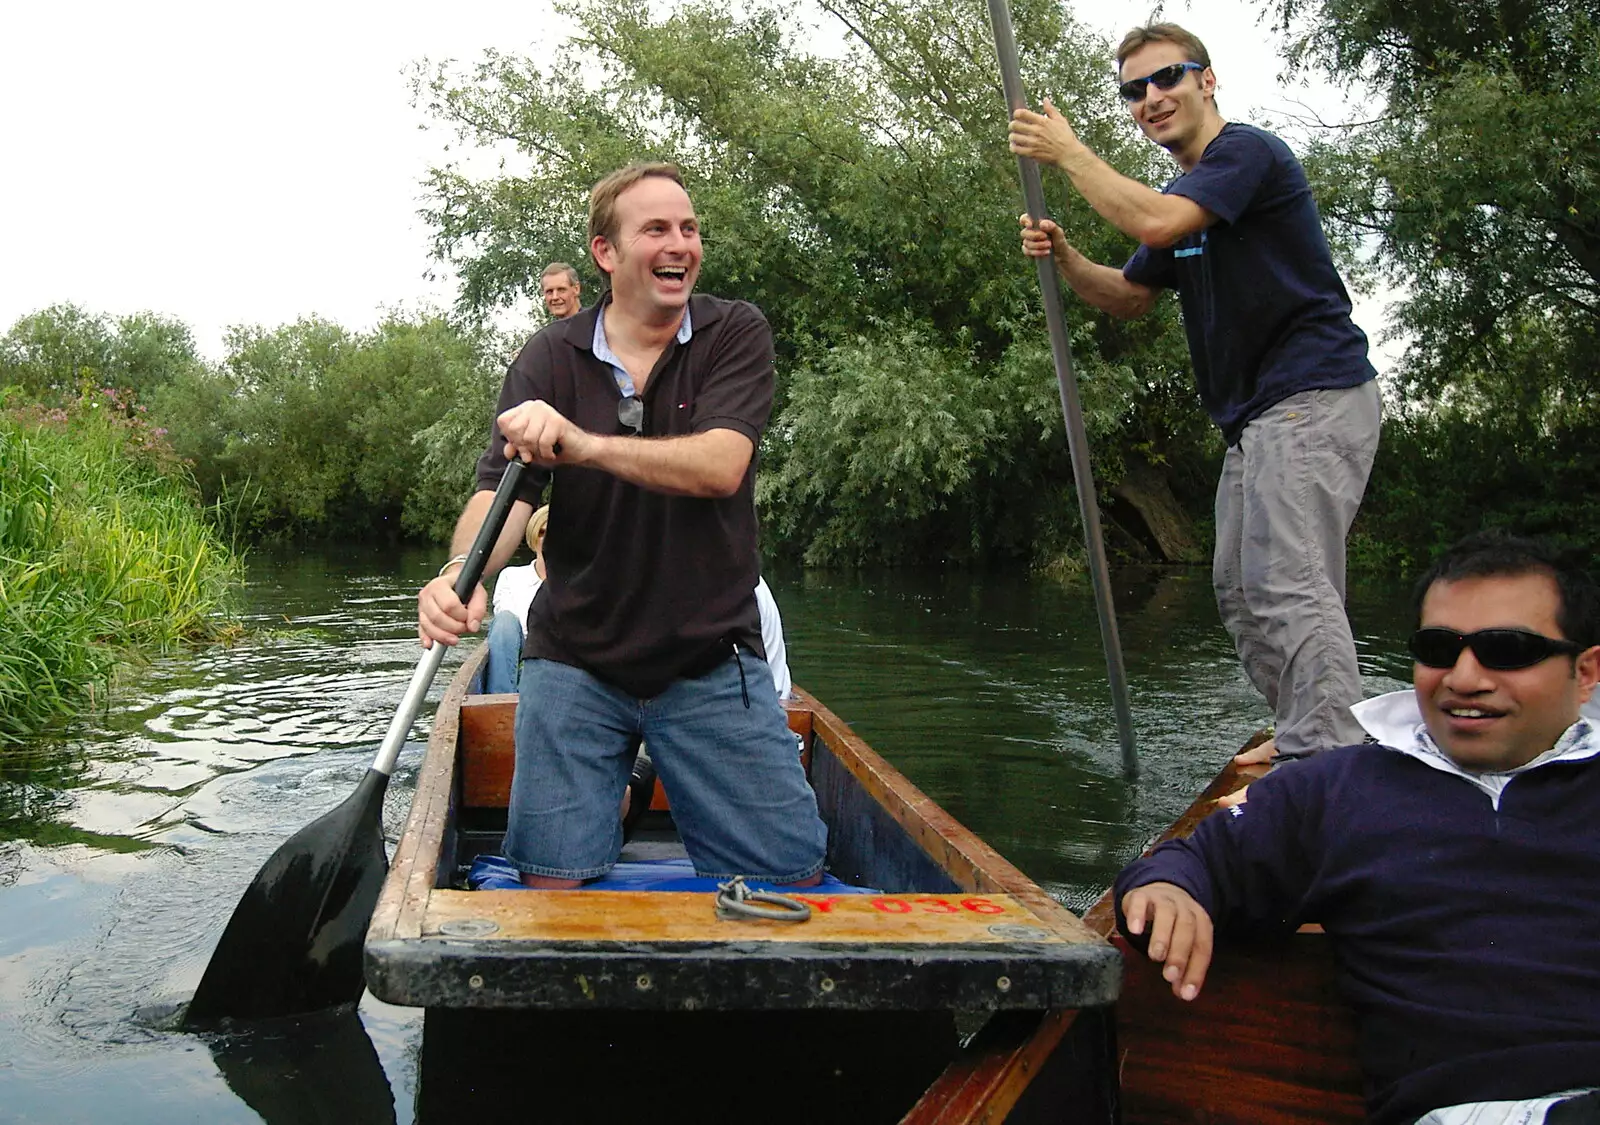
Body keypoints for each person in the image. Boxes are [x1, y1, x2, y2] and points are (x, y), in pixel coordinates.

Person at [417, 162, 827, 890]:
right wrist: (460, 575)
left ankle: (643, 790)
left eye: (690, 228)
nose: (682, 245)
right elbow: (502, 491)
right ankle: (613, 806)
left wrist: (582, 443)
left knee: (790, 881)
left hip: (707, 652)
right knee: (549, 886)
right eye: (658, 229)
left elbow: (719, 464)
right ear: (606, 253)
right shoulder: (550, 355)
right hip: (576, 658)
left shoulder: (735, 332)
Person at [1114, 532, 1600, 1125]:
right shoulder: (1338, 789)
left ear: (1585, 673)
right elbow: (1191, 863)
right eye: (1439, 648)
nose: (1465, 677)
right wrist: (1166, 887)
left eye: (1507, 650)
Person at [1009, 23, 1381, 762]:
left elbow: (1155, 218)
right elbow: (1128, 296)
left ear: (1207, 81)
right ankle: (1301, 733)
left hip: (1311, 394)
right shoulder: (1189, 194)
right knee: (1241, 592)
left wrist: (1067, 151)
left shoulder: (1244, 155)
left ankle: (1330, 758)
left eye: (1167, 78)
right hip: (1255, 418)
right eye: (1134, 90)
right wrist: (1068, 255)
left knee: (1289, 581)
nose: (1152, 98)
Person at [483, 504, 549, 694]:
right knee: (504, 621)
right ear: (533, 537)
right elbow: (507, 626)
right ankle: (499, 700)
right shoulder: (511, 576)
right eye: (542, 532)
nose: (547, 539)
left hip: (558, 659)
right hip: (520, 654)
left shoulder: (575, 580)